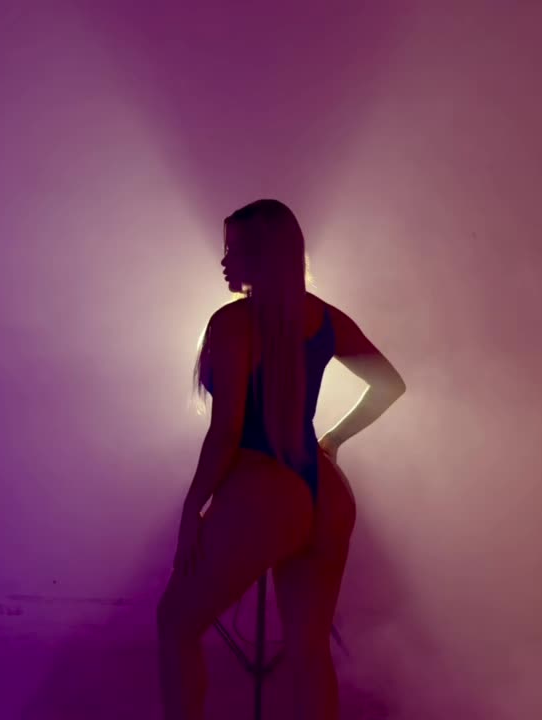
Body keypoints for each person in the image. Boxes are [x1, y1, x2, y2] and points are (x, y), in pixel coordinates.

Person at [156, 199, 406, 720]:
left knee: (175, 625)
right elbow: (388, 384)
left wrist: (192, 508)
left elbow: (226, 432)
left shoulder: (232, 323)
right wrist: (332, 441)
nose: (224, 261)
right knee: (309, 653)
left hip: (264, 492)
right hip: (325, 493)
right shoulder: (324, 317)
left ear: (262, 255)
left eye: (234, 250)